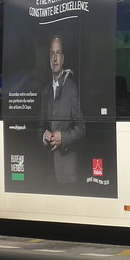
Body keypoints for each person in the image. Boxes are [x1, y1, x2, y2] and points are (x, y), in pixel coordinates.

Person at [40, 35, 84, 187]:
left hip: (67, 173)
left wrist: (63, 137)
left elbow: (81, 128)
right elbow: (40, 127)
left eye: (58, 53)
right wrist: (43, 136)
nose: (54, 58)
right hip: (47, 172)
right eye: (52, 53)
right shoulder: (45, 91)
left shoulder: (72, 88)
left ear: (63, 58)